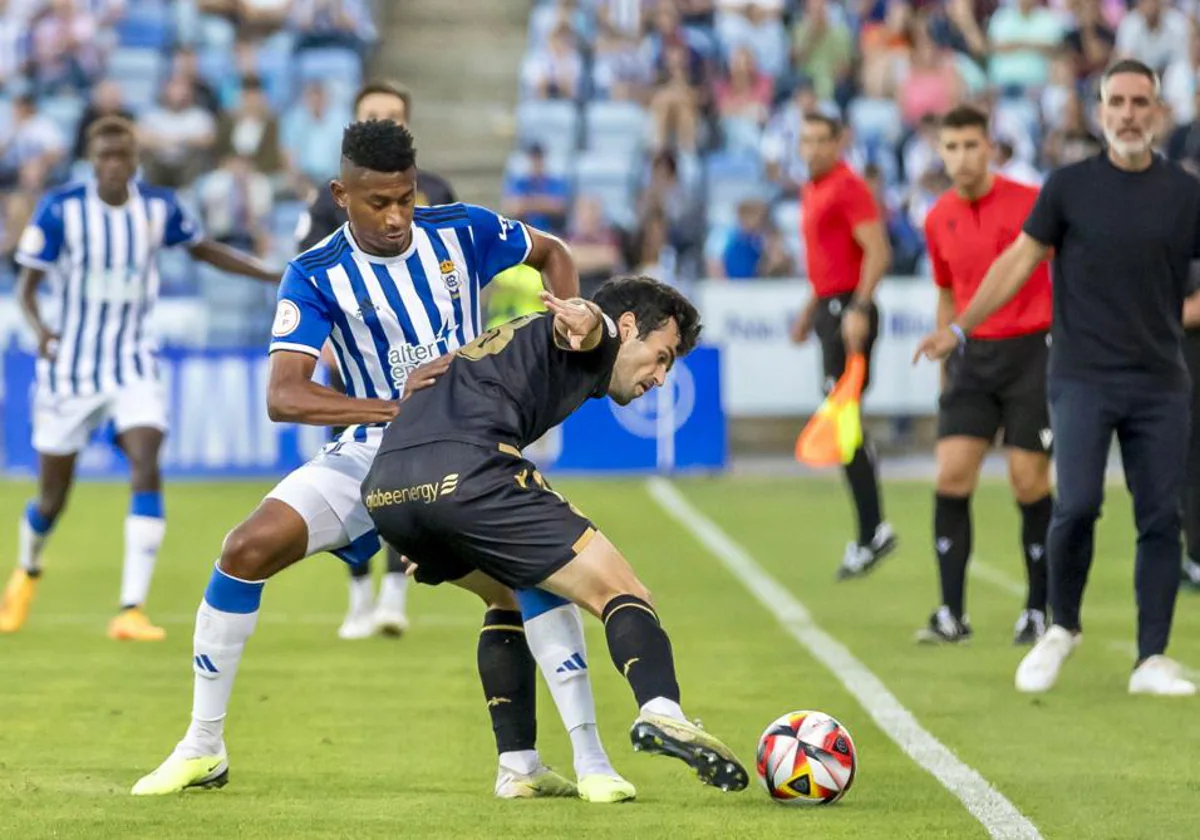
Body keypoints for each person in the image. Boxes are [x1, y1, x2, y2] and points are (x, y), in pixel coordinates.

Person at [132, 120, 634, 802]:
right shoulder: (314, 273)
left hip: (467, 449)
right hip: (369, 452)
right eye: (379, 202)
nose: (397, 217)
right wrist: (391, 409)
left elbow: (552, 253)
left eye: (405, 198)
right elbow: (285, 395)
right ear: (342, 194)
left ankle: (585, 764)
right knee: (244, 548)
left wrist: (567, 334)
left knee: (526, 577)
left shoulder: (462, 230)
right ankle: (202, 745)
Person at [362, 277, 750, 793]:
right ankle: (661, 708)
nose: (660, 377)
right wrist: (588, 321)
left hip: (390, 491)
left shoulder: (508, 342)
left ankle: (519, 767)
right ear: (631, 326)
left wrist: (425, 516)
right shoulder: (597, 332)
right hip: (470, 473)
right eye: (662, 357)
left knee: (508, 595)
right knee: (624, 591)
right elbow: (590, 328)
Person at [914, 59, 1199, 697]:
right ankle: (1060, 627)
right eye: (1116, 102)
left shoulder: (1184, 193)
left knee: (1160, 518)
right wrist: (959, 329)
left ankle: (1151, 658)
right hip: (1082, 378)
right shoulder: (1069, 187)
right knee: (1075, 506)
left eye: (1140, 102)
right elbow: (1018, 262)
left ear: (1156, 112)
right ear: (1099, 111)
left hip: (1160, 381)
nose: (1128, 113)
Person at [0, 116, 278, 639]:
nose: (113, 165)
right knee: (51, 498)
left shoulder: (158, 208)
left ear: (134, 160)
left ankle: (131, 608)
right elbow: (27, 286)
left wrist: (270, 272)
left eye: (122, 156)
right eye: (104, 156)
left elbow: (205, 251)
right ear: (91, 159)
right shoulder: (63, 210)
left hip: (133, 364)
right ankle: (27, 571)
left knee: (147, 460)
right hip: (72, 369)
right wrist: (40, 330)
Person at [294, 79, 457, 641]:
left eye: (392, 114)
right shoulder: (327, 198)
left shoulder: (436, 191)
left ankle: (393, 595)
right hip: (355, 363)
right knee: (352, 477)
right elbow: (309, 266)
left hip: (426, 370)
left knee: (405, 482)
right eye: (372, 114)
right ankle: (358, 596)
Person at [917, 104, 1053, 647]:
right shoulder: (937, 217)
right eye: (951, 148)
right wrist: (946, 358)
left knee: (1028, 481)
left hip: (1032, 353)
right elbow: (947, 290)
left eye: (972, 145)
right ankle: (952, 613)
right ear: (941, 153)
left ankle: (1040, 611)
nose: (962, 157)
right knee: (950, 476)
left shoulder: (1030, 203)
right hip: (971, 357)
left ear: (990, 148)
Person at [790, 112, 897, 579]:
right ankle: (871, 530)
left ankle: (873, 531)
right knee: (844, 419)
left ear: (838, 143)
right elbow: (829, 261)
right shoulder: (813, 189)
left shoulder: (847, 186)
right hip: (831, 308)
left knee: (844, 418)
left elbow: (877, 250)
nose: (812, 148)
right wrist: (809, 309)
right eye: (805, 140)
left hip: (848, 312)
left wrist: (859, 307)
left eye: (820, 140)